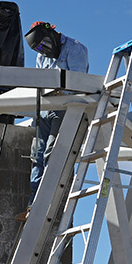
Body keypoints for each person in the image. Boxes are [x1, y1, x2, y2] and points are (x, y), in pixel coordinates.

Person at [23, 21, 89, 213]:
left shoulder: (75, 49)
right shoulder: (41, 55)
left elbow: (79, 83)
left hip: (66, 107)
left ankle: (48, 201)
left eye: (44, 47)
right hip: (45, 108)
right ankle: (33, 203)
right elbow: (40, 81)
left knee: (52, 153)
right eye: (39, 50)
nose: (44, 52)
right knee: (37, 155)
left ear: (51, 34)